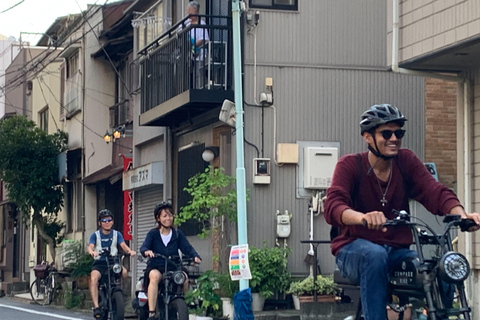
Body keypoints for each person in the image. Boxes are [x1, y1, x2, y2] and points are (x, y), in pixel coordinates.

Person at [324, 104, 480, 320]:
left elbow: (434, 190)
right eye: (386, 133)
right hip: (352, 249)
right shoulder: (350, 165)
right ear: (368, 137)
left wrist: (461, 215)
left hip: (396, 251)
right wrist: (363, 217)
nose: (394, 138)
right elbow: (333, 205)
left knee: (437, 267)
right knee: (374, 255)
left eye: (399, 133)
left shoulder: (405, 161)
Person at [140, 201, 202, 320]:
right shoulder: (153, 234)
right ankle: (152, 312)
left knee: (184, 277)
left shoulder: (178, 234)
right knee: (154, 277)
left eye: (170, 215)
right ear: (158, 218)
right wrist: (147, 251)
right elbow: (144, 247)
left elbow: (187, 248)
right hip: (157, 266)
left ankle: (182, 301)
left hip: (174, 266)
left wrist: (195, 256)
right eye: (164, 216)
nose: (168, 218)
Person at [87, 209, 136, 319]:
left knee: (124, 272)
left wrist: (129, 251)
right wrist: (92, 252)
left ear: (112, 222)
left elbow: (123, 245)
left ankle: (122, 293)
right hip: (100, 263)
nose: (107, 222)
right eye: (104, 220)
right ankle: (96, 307)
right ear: (100, 223)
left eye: (109, 220)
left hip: (113, 262)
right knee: (94, 278)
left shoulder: (117, 234)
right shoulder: (95, 235)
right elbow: (90, 246)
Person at [185, 1, 209, 88]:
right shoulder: (185, 24)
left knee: (198, 73)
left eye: (193, 12)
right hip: (187, 54)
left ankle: (198, 88)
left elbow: (204, 38)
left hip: (199, 53)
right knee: (187, 73)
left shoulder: (202, 24)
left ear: (197, 12)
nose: (190, 14)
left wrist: (193, 45)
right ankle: (188, 87)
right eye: (189, 12)